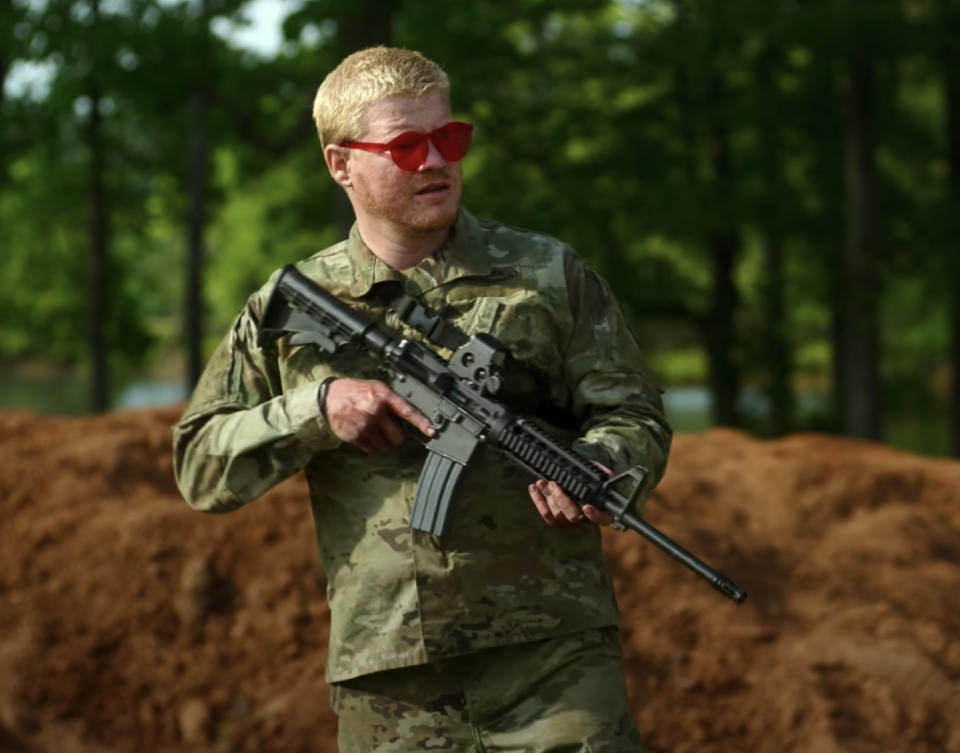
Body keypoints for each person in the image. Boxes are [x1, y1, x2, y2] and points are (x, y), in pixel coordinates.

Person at [173, 46, 672, 752]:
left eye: (450, 138)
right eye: (406, 145)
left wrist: (603, 460)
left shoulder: (547, 276)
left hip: (554, 656)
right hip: (390, 673)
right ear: (341, 164)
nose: (435, 160)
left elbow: (633, 412)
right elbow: (199, 464)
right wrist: (317, 410)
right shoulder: (285, 308)